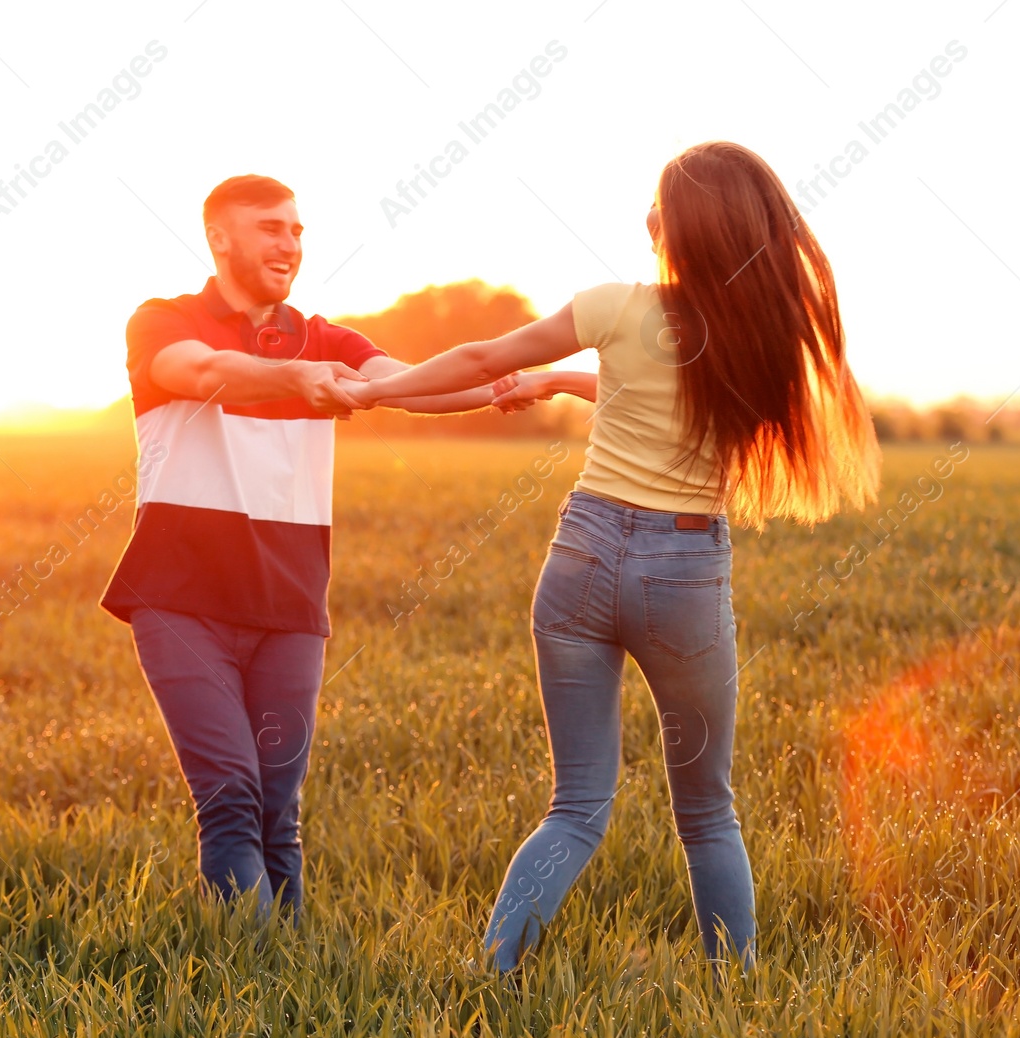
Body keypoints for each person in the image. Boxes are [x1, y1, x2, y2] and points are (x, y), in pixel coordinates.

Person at [349, 141, 881, 970]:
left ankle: (491, 974)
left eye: (658, 206)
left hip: (582, 557)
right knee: (707, 812)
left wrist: (376, 388)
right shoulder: (761, 338)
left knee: (576, 805)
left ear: (672, 228)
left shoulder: (613, 308)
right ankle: (735, 990)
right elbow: (670, 395)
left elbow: (487, 359)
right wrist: (564, 384)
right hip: (683, 572)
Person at [100, 174, 511, 918]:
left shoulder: (326, 340)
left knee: (278, 816)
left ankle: (288, 992)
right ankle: (243, 986)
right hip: (180, 603)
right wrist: (294, 378)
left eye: (295, 229)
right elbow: (204, 371)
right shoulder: (163, 321)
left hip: (290, 606)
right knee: (230, 798)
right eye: (269, 228)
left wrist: (501, 382)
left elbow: (407, 383)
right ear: (220, 237)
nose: (288, 244)